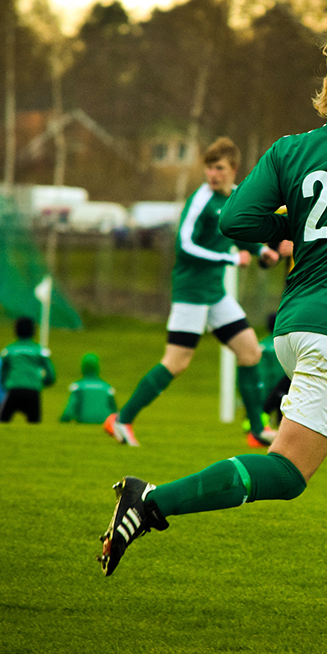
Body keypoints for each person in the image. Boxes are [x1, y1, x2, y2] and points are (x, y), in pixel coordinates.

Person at [97, 35, 327, 642]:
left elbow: (236, 222)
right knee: (288, 475)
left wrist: (298, 222)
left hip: (296, 327)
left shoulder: (290, 150)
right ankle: (151, 500)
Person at [104, 137, 281, 448]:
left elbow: (240, 231)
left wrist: (261, 251)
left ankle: (256, 429)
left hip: (214, 293)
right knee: (176, 362)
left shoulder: (237, 197)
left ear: (233, 170)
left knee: (250, 352)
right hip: (190, 293)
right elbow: (183, 247)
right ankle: (122, 419)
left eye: (219, 168)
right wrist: (230, 258)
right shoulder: (200, 200)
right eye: (209, 168)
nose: (212, 175)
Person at [0, 316, 56, 423]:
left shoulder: (9, 350)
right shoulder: (39, 350)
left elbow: (2, 371)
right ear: (33, 331)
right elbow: (51, 374)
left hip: (14, 390)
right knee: (34, 424)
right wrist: (42, 382)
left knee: (2, 421)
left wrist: (5, 384)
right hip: (33, 392)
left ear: (16, 331)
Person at [60, 353, 117, 424]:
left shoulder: (78, 386)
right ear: (97, 367)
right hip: (104, 422)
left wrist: (64, 420)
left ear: (83, 367)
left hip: (84, 421)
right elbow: (114, 411)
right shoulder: (107, 388)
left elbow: (69, 410)